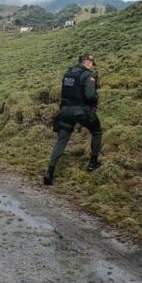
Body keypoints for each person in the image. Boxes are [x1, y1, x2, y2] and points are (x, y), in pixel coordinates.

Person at [43, 53, 103, 186]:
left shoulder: (68, 73)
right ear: (87, 62)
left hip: (65, 110)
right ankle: (93, 163)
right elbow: (90, 95)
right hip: (81, 111)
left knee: (62, 140)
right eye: (92, 64)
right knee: (97, 132)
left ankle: (49, 172)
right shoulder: (88, 75)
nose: (92, 67)